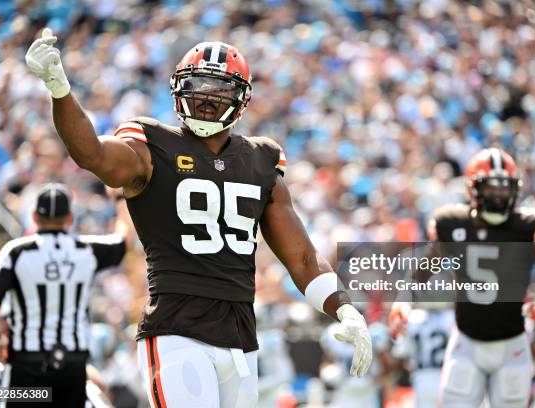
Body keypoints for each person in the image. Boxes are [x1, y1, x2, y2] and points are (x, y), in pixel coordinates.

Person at [25, 30, 372, 407]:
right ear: (178, 89)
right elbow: (91, 154)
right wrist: (59, 89)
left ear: (240, 100)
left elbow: (303, 258)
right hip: (176, 327)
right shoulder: (151, 145)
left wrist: (345, 307)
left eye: (219, 90)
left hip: (241, 335)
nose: (206, 99)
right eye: (197, 86)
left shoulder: (261, 161)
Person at [389, 147, 535, 407]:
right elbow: (420, 273)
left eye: (504, 187)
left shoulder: (529, 226)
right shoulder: (451, 223)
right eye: (491, 188)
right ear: (472, 189)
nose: (499, 194)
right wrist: (402, 300)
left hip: (513, 344)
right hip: (466, 342)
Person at [0, 183, 130, 407]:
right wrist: (121, 199)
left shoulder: (17, 251)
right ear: (69, 218)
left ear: (34, 217)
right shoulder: (85, 250)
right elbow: (122, 240)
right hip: (71, 369)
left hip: (29, 370)